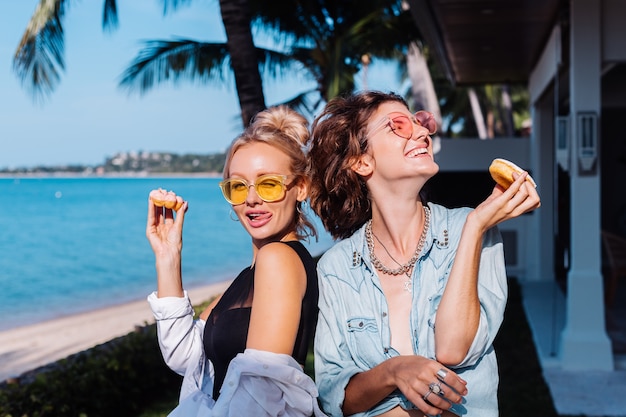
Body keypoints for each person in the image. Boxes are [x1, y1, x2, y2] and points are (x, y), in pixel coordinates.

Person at [307, 91, 541, 417]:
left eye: (420, 123)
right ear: (362, 162)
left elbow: (453, 349)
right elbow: (336, 396)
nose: (422, 132)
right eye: (399, 125)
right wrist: (395, 371)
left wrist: (474, 228)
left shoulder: (474, 229)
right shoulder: (336, 267)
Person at [146, 105, 326, 416]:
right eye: (238, 186)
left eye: (268, 183)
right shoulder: (253, 274)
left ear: (300, 188)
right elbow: (188, 358)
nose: (252, 198)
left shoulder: (278, 259)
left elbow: (260, 398)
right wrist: (168, 256)